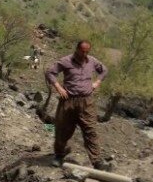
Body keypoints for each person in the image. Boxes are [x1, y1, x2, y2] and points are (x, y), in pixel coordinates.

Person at [45, 40, 108, 169]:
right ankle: (59, 155)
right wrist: (58, 87)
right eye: (82, 51)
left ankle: (97, 161)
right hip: (68, 100)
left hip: (86, 101)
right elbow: (50, 72)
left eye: (87, 51)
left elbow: (104, 70)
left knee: (90, 130)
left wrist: (97, 83)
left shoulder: (92, 61)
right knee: (62, 130)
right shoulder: (66, 61)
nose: (84, 54)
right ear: (77, 49)